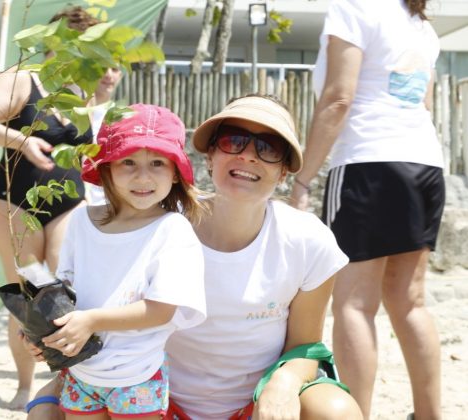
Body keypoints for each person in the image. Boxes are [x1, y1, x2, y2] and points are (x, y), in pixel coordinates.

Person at [25, 95, 363, 420]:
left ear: (284, 171)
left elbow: (305, 347)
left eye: (268, 148)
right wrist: (47, 352)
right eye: (234, 141)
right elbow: (93, 307)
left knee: (336, 410)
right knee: (43, 410)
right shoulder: (150, 225)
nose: (248, 156)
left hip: (255, 405)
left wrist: (285, 383)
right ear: (209, 156)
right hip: (146, 394)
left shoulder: (307, 241)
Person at [0, 6, 121, 410]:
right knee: (30, 296)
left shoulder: (81, 92)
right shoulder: (21, 80)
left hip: (69, 202)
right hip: (16, 202)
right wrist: (21, 141)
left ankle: (68, 381)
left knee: (65, 291)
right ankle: (23, 385)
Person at [290, 1, 444, 419]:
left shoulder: (354, 7)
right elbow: (422, 102)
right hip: (425, 164)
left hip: (368, 162)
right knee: (409, 301)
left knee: (353, 304)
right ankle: (430, 414)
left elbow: (339, 98)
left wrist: (302, 179)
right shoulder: (419, 22)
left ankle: (355, 414)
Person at [40, 103, 206, 418]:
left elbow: (161, 309)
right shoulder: (80, 221)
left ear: (175, 173)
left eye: (157, 162)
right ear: (106, 168)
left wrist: (91, 321)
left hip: (138, 375)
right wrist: (40, 327)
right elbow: (65, 289)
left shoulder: (172, 229)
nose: (143, 176)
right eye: (127, 161)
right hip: (80, 371)